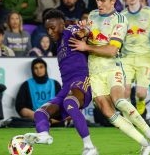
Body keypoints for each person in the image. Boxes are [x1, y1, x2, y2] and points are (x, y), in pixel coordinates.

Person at [69, 0, 150, 154]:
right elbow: (90, 34)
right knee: (107, 111)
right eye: (97, 0)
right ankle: (145, 143)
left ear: (113, 1)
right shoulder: (92, 15)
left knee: (119, 100)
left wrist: (85, 47)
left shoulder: (120, 20)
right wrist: (83, 31)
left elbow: (112, 50)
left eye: (102, 0)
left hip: (112, 67)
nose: (98, 3)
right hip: (94, 71)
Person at [24, 9, 98, 155]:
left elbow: (86, 29)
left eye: (53, 28)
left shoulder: (70, 30)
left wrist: (85, 31)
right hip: (66, 87)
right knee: (40, 112)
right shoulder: (58, 45)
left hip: (82, 80)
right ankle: (44, 135)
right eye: (47, 29)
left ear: (62, 24)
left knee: (69, 103)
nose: (50, 32)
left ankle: (90, 148)